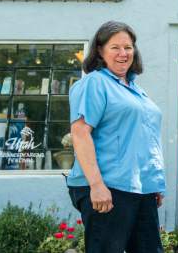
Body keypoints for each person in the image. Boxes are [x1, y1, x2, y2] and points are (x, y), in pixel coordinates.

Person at [67, 21, 166, 253]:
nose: (123, 53)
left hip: (140, 188)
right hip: (108, 186)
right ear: (100, 51)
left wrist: (152, 184)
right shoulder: (95, 82)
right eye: (115, 47)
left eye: (128, 47)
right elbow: (80, 133)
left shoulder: (134, 88)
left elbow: (142, 137)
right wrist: (97, 185)